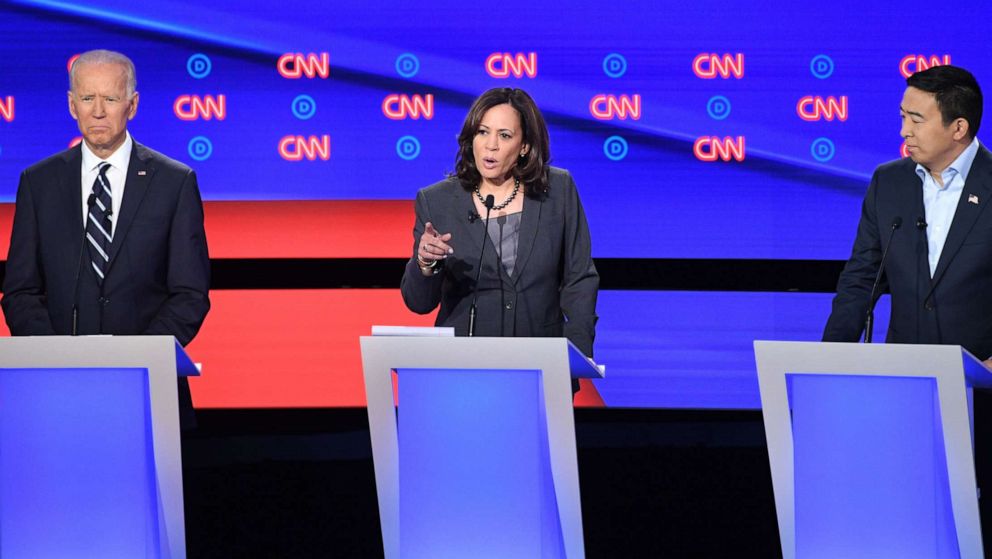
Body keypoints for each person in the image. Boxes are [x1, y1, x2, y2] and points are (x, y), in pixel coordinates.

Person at [1, 49, 210, 425]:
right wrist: (57, 359)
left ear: (132, 105)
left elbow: (190, 294)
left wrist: (137, 358)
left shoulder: (174, 183)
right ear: (71, 104)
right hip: (57, 390)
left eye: (110, 99)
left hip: (149, 388)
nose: (97, 111)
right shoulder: (39, 183)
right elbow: (20, 291)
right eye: (87, 98)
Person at [400, 87, 599, 365]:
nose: (490, 145)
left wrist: (576, 358)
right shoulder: (437, 201)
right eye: (483, 132)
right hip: (463, 366)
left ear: (525, 146)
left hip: (541, 362)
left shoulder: (558, 191)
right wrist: (426, 263)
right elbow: (419, 303)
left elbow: (579, 279)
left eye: (504, 135)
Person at [823, 64, 990, 357]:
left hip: (981, 385)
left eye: (916, 120)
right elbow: (861, 279)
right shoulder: (888, 182)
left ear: (959, 128)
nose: (904, 131)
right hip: (907, 379)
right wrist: (829, 360)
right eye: (903, 117)